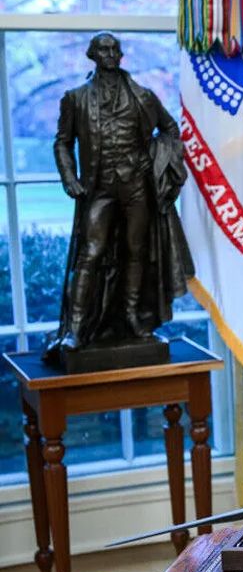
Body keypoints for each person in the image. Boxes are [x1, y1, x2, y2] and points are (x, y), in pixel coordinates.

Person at [48, 32, 192, 354]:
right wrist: (69, 178)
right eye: (104, 50)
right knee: (91, 252)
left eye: (115, 49)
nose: (111, 54)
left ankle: (131, 316)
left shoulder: (143, 97)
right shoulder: (75, 98)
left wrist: (156, 158)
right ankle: (75, 328)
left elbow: (170, 129)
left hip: (136, 186)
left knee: (136, 251)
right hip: (99, 188)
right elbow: (62, 142)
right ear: (93, 55)